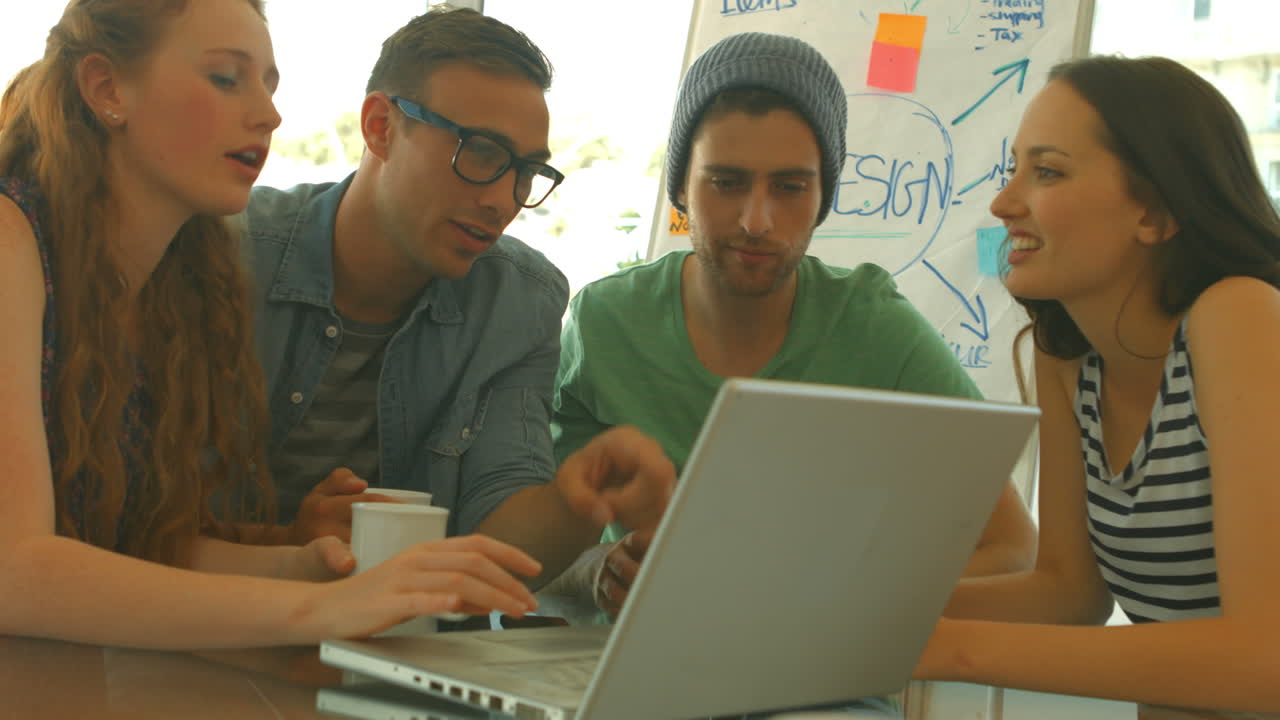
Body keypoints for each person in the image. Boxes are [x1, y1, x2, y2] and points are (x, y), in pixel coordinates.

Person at [0, 0, 668, 650]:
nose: (269, 114)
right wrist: (321, 599)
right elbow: (25, 570)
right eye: (226, 78)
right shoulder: (61, 241)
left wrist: (313, 566)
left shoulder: (171, 269)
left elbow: (133, 542)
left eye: (525, 172)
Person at [543, 32, 1037, 620]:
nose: (757, 221)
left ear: (824, 194)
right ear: (680, 188)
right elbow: (537, 554)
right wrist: (596, 569)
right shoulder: (605, 324)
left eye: (790, 187)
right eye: (726, 183)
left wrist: (824, 601)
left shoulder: (874, 327)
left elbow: (1010, 548)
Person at [239, 6, 673, 587]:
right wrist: (284, 545)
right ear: (380, 127)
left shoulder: (519, 299)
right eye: (482, 153)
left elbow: (496, 540)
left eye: (525, 170)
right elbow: (122, 523)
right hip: (199, 634)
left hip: (398, 650)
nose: (503, 200)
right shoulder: (227, 255)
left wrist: (577, 497)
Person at [912, 56, 1280, 713]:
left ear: (1158, 213)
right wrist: (862, 610)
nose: (1003, 203)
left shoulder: (1239, 313)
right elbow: (1070, 593)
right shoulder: (1065, 353)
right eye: (1013, 169)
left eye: (1047, 171)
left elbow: (1266, 657)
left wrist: (941, 646)